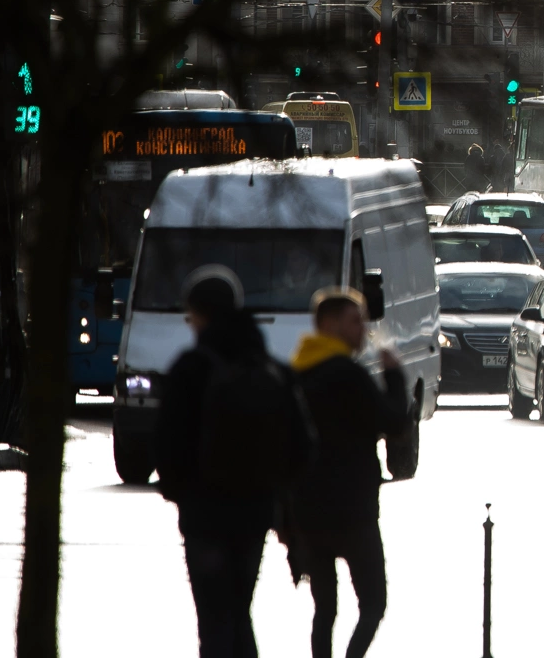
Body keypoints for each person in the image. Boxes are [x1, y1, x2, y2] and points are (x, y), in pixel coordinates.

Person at [156, 266, 312, 658]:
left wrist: (182, 494)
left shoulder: (191, 368)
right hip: (255, 511)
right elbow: (302, 445)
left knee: (214, 618)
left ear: (199, 314)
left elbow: (167, 444)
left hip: (204, 514)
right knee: (239, 612)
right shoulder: (270, 367)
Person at [289, 287, 410, 658]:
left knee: (324, 609)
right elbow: (392, 420)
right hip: (352, 511)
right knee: (373, 603)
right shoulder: (348, 374)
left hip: (308, 513)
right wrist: (394, 377)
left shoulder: (296, 373)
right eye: (354, 321)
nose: (364, 330)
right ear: (329, 324)